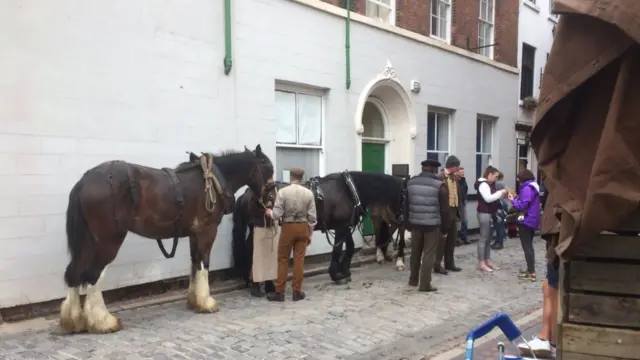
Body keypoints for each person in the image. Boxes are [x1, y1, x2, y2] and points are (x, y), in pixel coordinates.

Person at [517, 186, 559, 358]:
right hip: (553, 234)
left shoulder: (561, 183)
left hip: (559, 237)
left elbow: (523, 204)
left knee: (553, 289)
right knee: (548, 286)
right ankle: (545, 337)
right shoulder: (536, 188)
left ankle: (551, 341)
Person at [265, 167, 317, 301]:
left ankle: (280, 292)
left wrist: (269, 213)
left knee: (283, 259)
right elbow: (312, 219)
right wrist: (310, 234)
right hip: (303, 228)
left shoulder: (283, 192)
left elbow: (276, 215)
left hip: (287, 227)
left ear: (291, 177)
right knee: (299, 261)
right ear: (302, 178)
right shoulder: (309, 194)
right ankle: (297, 291)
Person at [407, 159, 449, 292]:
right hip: (432, 224)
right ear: (434, 170)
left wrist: (407, 223)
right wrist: (445, 228)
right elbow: (444, 210)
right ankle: (425, 285)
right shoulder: (439, 185)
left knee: (415, 252)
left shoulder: (411, 182)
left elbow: (405, 205)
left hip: (415, 222)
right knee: (428, 254)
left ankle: (413, 279)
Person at [434, 155, 465, 274]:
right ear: (452, 166)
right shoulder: (439, 177)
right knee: (441, 241)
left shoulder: (455, 178)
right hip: (443, 213)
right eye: (457, 166)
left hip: (454, 211)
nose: (458, 169)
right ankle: (437, 264)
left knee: (452, 240)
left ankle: (449, 263)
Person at [509, 169, 541, 281]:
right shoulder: (533, 186)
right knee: (529, 246)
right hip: (532, 219)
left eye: (519, 178)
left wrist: (513, 200)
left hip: (526, 220)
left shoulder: (527, 188)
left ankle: (531, 272)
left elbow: (522, 206)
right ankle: (529, 269)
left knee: (527, 247)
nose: (518, 180)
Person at [474, 166, 508, 272]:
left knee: (488, 239)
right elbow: (488, 199)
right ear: (490, 174)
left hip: (489, 212)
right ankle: (481, 262)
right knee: (484, 238)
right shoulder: (483, 184)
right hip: (484, 212)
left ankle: (487, 260)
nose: (496, 179)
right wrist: (500, 192)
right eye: (495, 176)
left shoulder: (489, 184)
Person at [491, 172, 508, 250]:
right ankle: (498, 241)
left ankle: (499, 243)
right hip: (503, 204)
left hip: (499, 205)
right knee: (500, 224)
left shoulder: (497, 183)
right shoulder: (503, 183)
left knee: (499, 225)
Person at [455, 167, 470, 245]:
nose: (463, 174)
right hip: (455, 203)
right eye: (461, 172)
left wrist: (465, 198)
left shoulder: (463, 180)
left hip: (462, 202)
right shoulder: (454, 180)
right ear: (457, 172)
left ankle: (464, 237)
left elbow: (466, 189)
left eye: (463, 172)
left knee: (465, 221)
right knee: (456, 221)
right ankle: (455, 238)